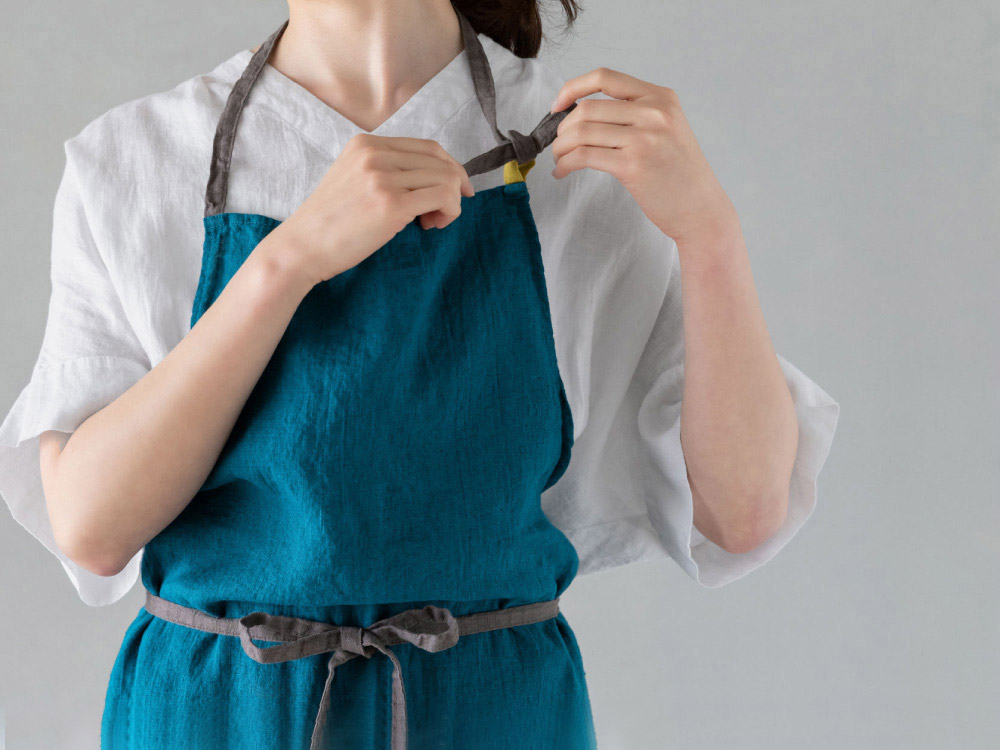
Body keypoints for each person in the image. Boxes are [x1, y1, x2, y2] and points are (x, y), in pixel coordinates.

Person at [0, 0, 840, 747]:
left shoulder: (585, 151)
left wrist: (710, 234)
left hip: (491, 716)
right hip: (217, 716)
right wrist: (286, 263)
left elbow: (743, 511)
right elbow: (92, 526)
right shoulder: (134, 158)